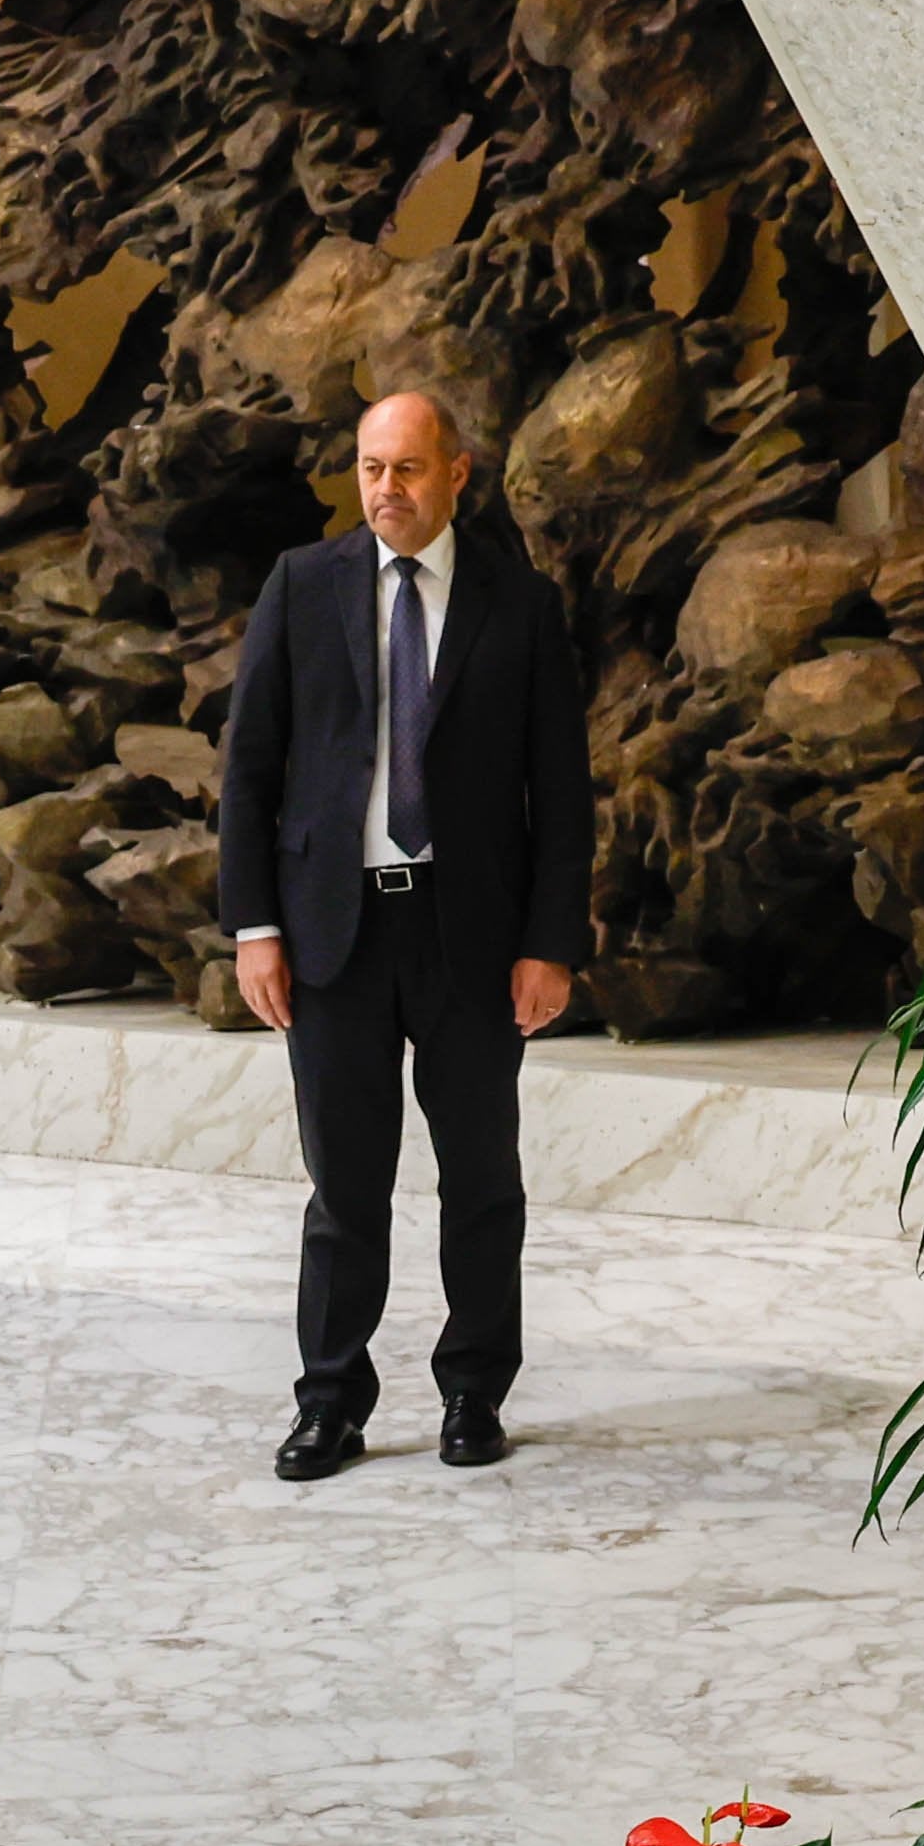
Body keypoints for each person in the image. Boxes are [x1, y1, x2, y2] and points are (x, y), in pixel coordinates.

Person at [213, 386, 591, 1481]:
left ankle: (473, 1390)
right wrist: (254, 927)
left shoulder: (518, 605)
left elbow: (558, 790)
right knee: (345, 1183)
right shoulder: (303, 585)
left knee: (481, 1177)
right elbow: (250, 770)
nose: (386, 489)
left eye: (408, 469)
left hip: (470, 934)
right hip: (333, 932)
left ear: (457, 472)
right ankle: (329, 1399)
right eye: (372, 468)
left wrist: (549, 941)